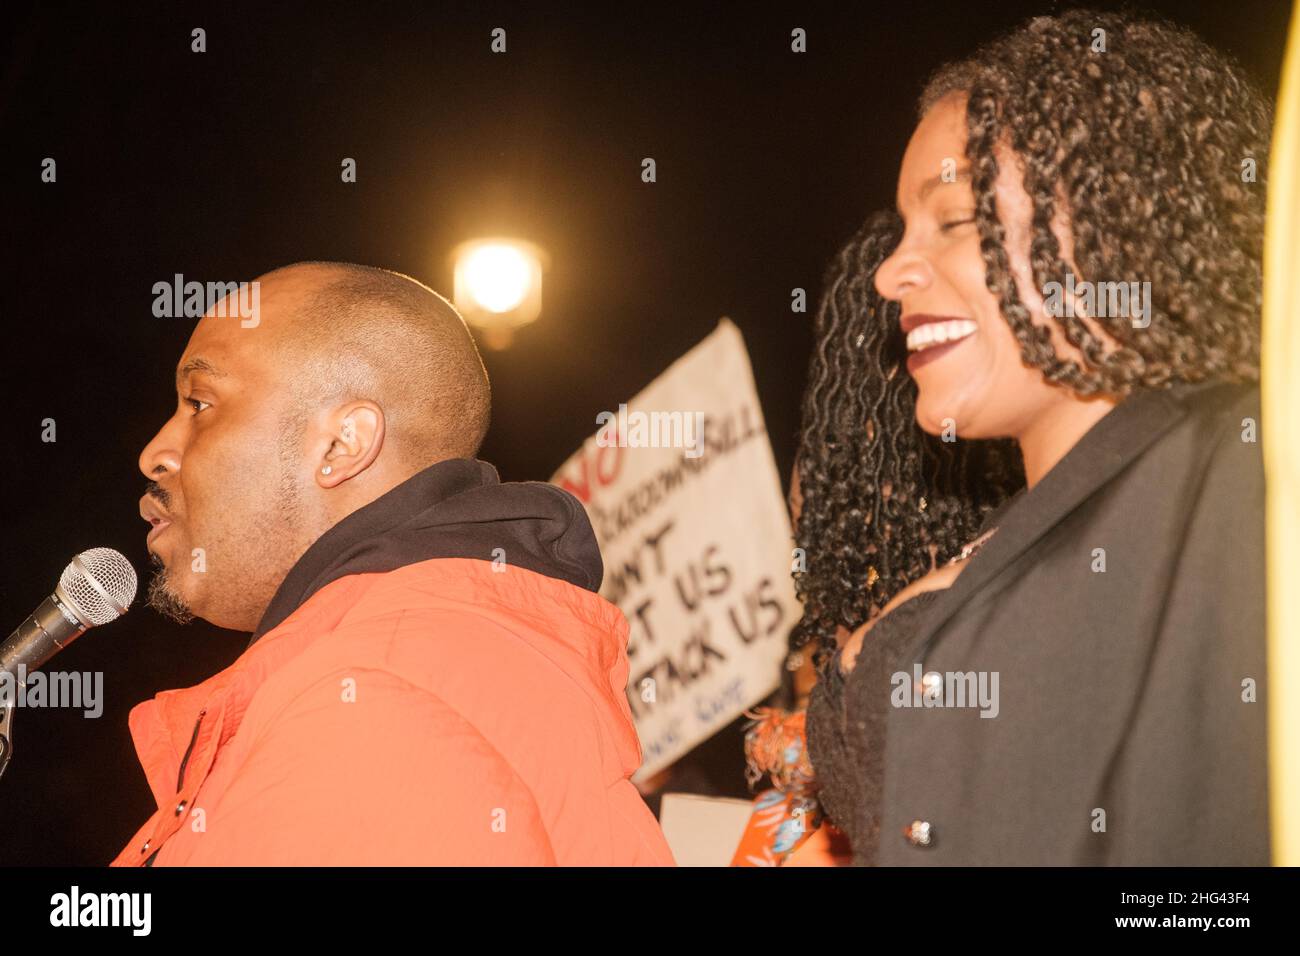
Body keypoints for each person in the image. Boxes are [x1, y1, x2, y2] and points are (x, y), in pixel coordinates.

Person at [806, 9, 1272, 865]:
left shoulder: (1249, 483)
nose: (888, 272)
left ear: (1119, 215)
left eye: (952, 220)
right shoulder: (1080, 517)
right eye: (903, 230)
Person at [113, 261, 675, 866]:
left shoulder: (369, 704)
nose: (155, 453)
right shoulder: (429, 665)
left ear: (341, 444)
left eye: (199, 404)